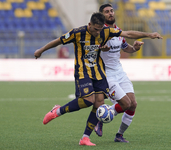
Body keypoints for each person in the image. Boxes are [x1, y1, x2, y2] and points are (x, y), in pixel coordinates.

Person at [34, 12, 162, 146]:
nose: (97, 32)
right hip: (83, 71)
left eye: (100, 29)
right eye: (95, 29)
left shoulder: (106, 31)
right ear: (89, 25)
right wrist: (41, 50)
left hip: (99, 72)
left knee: (98, 103)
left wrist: (149, 35)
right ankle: (58, 111)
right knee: (88, 101)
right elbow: (58, 41)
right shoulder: (77, 33)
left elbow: (128, 34)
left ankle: (85, 138)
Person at [94, 3, 161, 143]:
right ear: (102, 16)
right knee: (125, 103)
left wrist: (135, 48)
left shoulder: (118, 31)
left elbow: (126, 48)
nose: (111, 13)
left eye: (112, 11)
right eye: (107, 12)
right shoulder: (100, 33)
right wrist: (149, 35)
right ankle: (100, 118)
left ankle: (119, 135)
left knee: (133, 104)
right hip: (107, 75)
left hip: (120, 73)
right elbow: (96, 48)